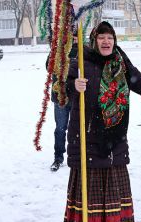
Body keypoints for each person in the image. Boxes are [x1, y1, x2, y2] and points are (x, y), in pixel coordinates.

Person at [63, 21, 141, 222]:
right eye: (101, 37)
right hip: (87, 142)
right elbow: (59, 92)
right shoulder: (80, 62)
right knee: (89, 200)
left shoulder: (120, 63)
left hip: (114, 143)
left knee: (114, 195)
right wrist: (72, 85)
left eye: (110, 38)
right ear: (94, 41)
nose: (106, 41)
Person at [47, 33, 78, 172]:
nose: (72, 40)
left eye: (75, 37)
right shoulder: (58, 50)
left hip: (77, 96)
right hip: (60, 97)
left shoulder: (83, 50)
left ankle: (78, 157)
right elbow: (49, 67)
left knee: (78, 129)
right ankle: (58, 157)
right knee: (60, 129)